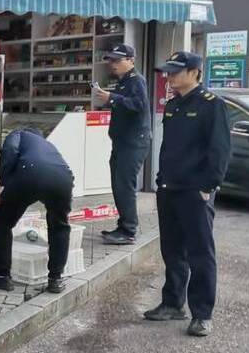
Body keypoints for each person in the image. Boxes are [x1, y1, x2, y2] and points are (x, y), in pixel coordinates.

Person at [145, 51, 230, 337]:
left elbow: (219, 150)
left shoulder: (212, 105)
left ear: (194, 72)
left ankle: (202, 314)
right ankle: (172, 303)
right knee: (172, 251)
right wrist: (160, 179)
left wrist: (209, 186)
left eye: (175, 71)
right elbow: (169, 148)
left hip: (195, 192)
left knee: (200, 253)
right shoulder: (173, 105)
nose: (169, 77)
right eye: (167, 71)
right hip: (169, 188)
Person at [0, 128, 74, 294]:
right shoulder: (47, 144)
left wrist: (3, 183)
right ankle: (56, 279)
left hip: (29, 173)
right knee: (59, 226)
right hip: (63, 178)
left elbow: (9, 151)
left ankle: (3, 276)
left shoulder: (18, 134)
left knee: (2, 221)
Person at [93, 44, 152, 245]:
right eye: (111, 60)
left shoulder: (137, 81)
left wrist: (112, 97)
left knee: (125, 185)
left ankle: (129, 230)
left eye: (118, 60)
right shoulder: (124, 82)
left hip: (134, 143)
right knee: (119, 185)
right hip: (122, 142)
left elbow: (139, 104)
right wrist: (111, 99)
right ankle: (123, 225)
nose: (113, 64)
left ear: (131, 60)